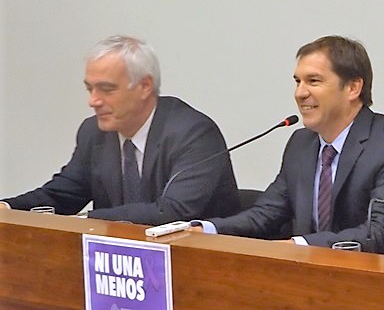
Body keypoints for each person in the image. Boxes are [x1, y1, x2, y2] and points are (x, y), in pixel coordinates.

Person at [193, 35, 384, 258]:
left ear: (353, 88)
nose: (300, 93)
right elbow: (266, 214)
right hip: (308, 276)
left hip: (380, 279)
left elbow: (381, 234)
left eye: (313, 81)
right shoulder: (301, 143)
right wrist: (206, 229)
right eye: (298, 82)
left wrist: (299, 246)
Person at [0, 35, 240, 225]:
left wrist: (86, 220)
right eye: (90, 89)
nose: (93, 101)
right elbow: (64, 194)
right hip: (118, 264)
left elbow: (173, 211)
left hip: (198, 260)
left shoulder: (194, 134)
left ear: (145, 86)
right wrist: (8, 208)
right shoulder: (93, 132)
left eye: (106, 89)